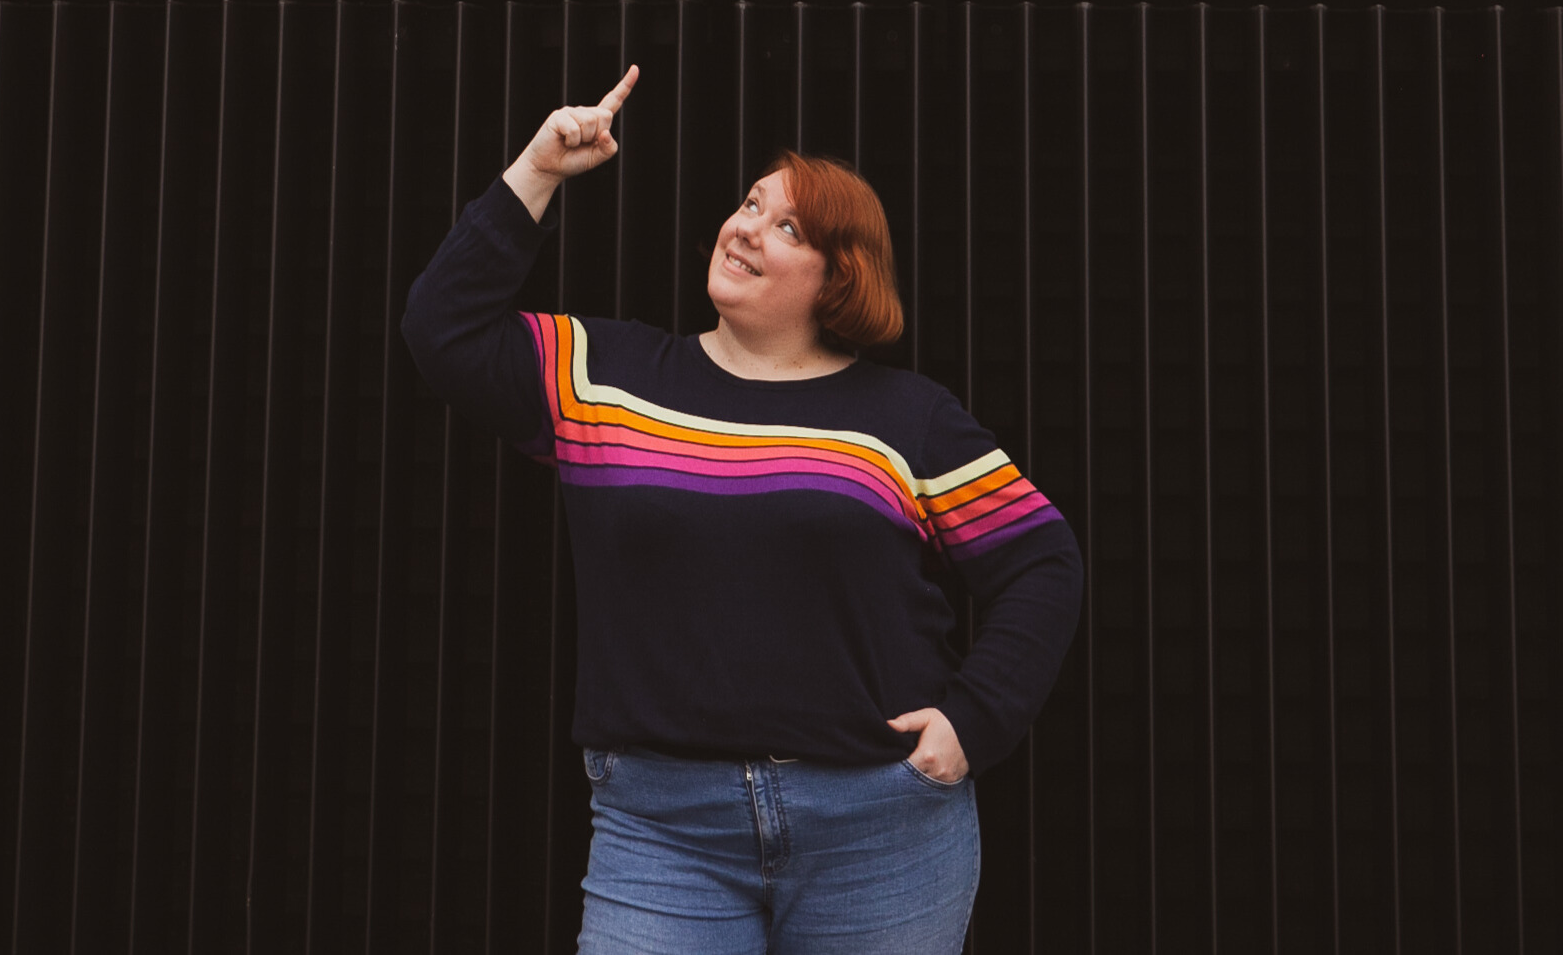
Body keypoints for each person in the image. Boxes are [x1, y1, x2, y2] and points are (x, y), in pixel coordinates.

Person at [402, 64, 1084, 954]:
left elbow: (1040, 561)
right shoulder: (602, 377)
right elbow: (441, 331)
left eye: (788, 224)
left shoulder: (905, 417)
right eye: (750, 204)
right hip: (662, 830)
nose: (748, 226)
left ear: (840, 275)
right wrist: (538, 167)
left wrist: (973, 719)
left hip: (878, 826)